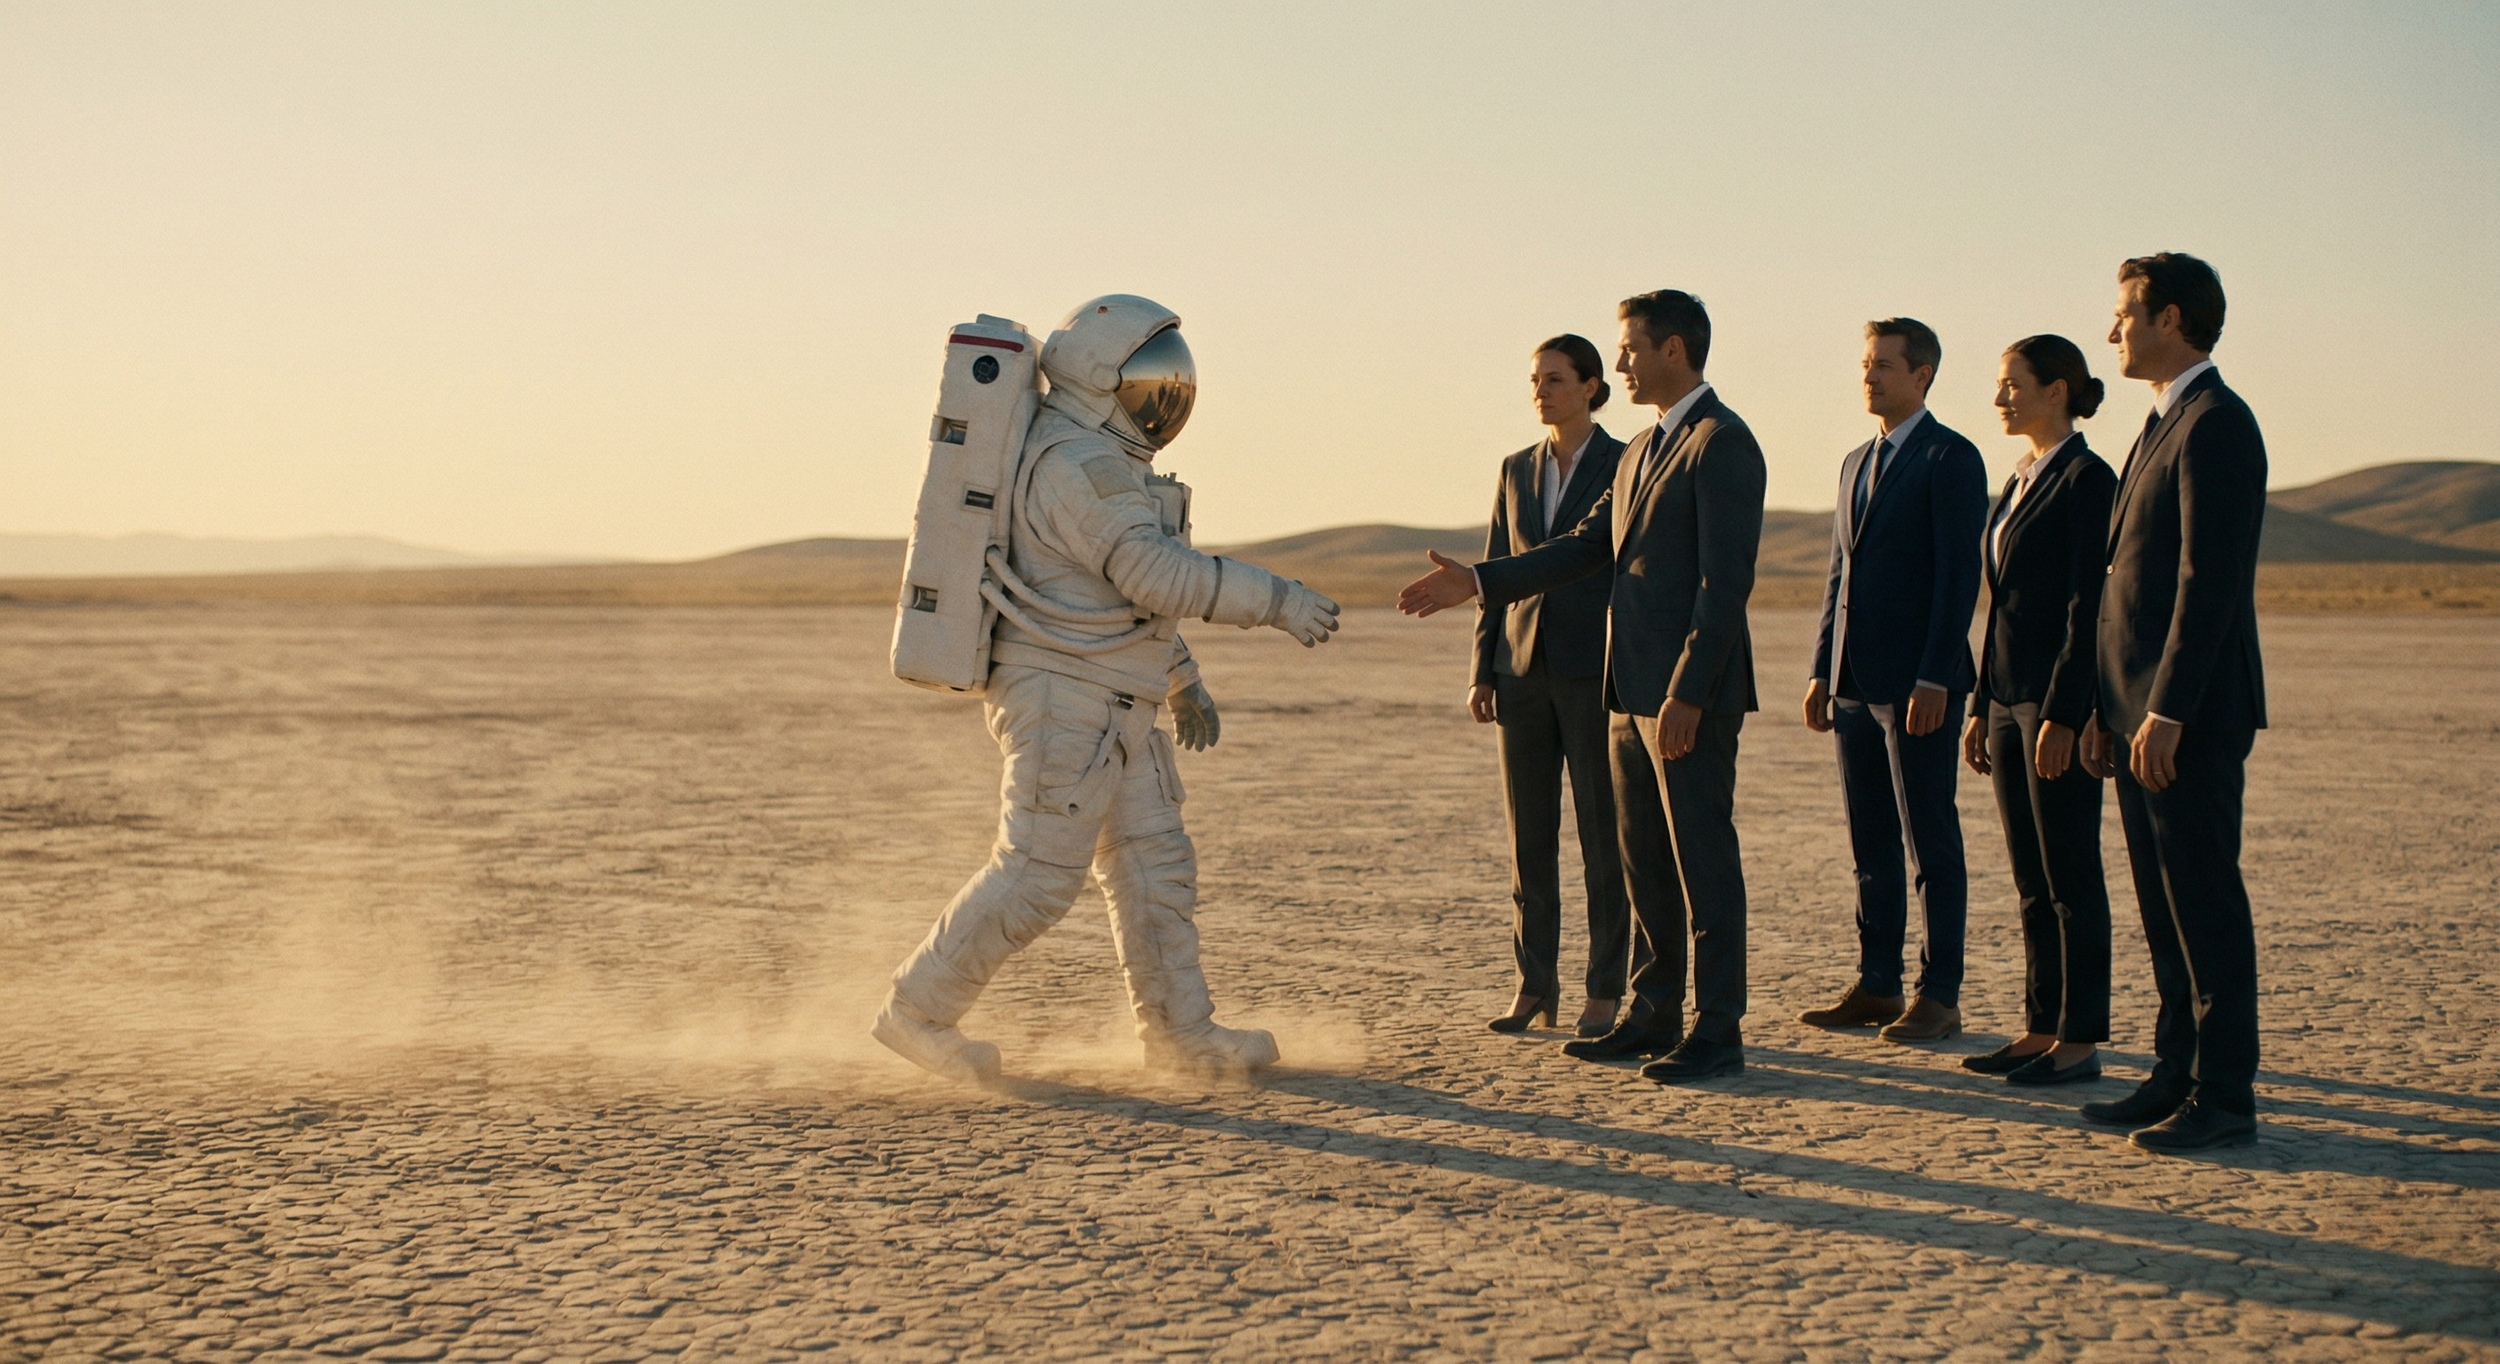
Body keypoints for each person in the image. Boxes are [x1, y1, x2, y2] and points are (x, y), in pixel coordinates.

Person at [873, 294, 1341, 1086]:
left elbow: (1122, 598)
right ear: (1101, 379)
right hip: (1065, 702)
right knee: (1035, 877)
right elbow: (1153, 572)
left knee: (1155, 868)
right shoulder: (1075, 465)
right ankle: (917, 1013)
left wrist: (1181, 678)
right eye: (1149, 379)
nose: (1164, 398)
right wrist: (1278, 601)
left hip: (1112, 699)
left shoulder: (1095, 459)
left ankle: (1182, 1036)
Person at [1403, 289, 1764, 1085]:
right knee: (1644, 866)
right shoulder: (1641, 449)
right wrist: (1482, 582)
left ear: (1674, 349)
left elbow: (1723, 585)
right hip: (1624, 692)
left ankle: (1719, 1029)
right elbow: (1581, 545)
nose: (1621, 363)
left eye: (1630, 349)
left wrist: (1689, 692)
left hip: (1681, 696)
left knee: (1702, 861)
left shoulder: (1722, 442)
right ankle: (1653, 1013)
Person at [2079, 253, 2269, 1153]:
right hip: (2136, 711)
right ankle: (2175, 1071)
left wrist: (2168, 710)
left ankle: (2226, 1097)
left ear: (2175, 319)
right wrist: (2106, 709)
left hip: (2184, 714)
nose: (2111, 331)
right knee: (2159, 903)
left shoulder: (2218, 424)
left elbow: (2208, 583)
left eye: (2125, 315)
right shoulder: (2161, 421)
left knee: (2203, 902)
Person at [1798, 319, 1991, 1044]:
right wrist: (1823, 666)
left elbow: (1957, 576)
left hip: (1919, 686)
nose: (1870, 377)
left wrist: (1938, 674)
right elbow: (1838, 572)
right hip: (1853, 682)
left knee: (1928, 839)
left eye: (1884, 365)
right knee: (1869, 841)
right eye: (1865, 365)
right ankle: (1876, 984)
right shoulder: (1854, 461)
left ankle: (1938, 993)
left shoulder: (1951, 457)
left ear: (1924, 375)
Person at [1957, 335, 2117, 1086]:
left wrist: (2064, 709)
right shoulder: (2019, 478)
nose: (2000, 399)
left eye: (2012, 385)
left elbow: (2089, 608)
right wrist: (1981, 702)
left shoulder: (2087, 479)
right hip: (2005, 701)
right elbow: (2005, 607)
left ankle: (2079, 1041)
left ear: (2057, 390)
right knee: (2029, 876)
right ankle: (2038, 1027)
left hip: (2053, 705)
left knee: (2070, 874)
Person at [1473, 335, 1633, 1038]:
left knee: (1605, 837)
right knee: (1527, 839)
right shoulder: (1515, 468)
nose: (1542, 391)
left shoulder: (1624, 462)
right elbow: (1494, 570)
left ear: (1592, 387)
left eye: (1557, 380)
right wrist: (1484, 669)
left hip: (1594, 673)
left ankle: (1606, 989)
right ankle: (1534, 984)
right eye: (1535, 380)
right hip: (1520, 673)